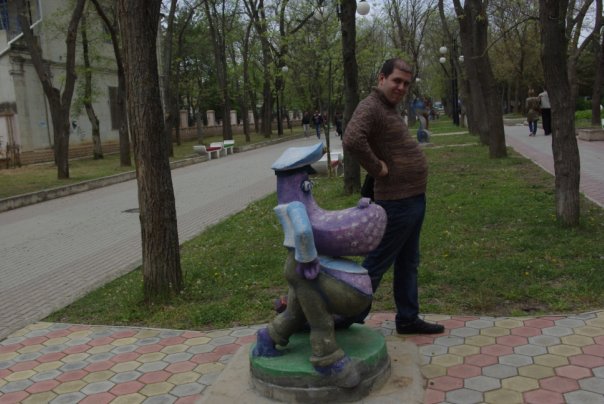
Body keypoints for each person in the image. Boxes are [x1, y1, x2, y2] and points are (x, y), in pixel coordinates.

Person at [342, 57, 444, 335]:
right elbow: (352, 139)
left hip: (413, 197)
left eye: (406, 83)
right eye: (396, 81)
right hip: (397, 202)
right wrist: (377, 168)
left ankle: (408, 318)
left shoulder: (387, 108)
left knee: (408, 262)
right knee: (376, 264)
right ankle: (343, 318)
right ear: (381, 78)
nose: (401, 87)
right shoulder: (371, 106)